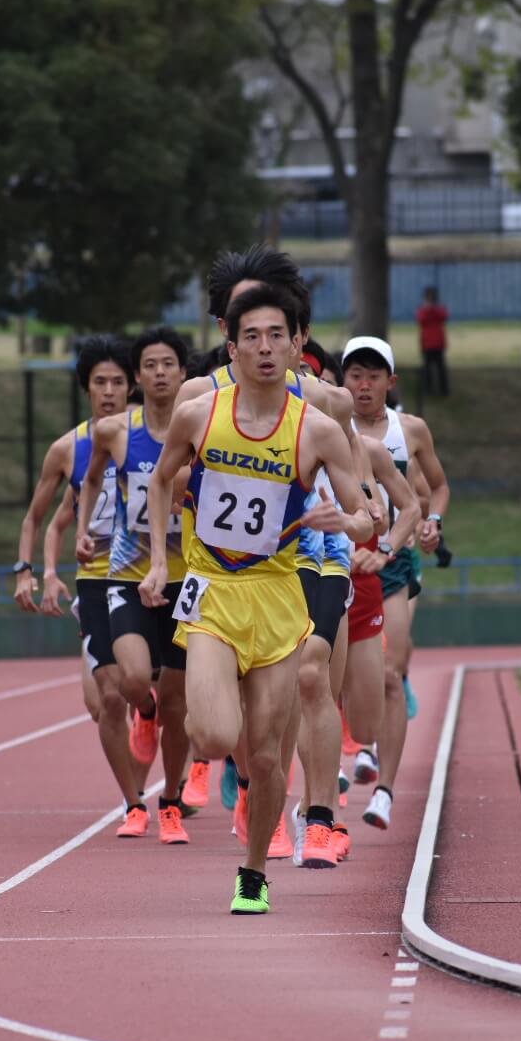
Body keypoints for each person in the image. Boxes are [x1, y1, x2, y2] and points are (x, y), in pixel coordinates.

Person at [140, 284, 374, 915]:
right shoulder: (199, 413)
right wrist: (163, 561)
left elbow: (365, 515)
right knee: (217, 737)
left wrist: (344, 525)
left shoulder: (318, 429)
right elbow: (162, 481)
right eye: (252, 336)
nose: (265, 348)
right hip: (213, 594)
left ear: (296, 342)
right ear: (231, 344)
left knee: (268, 756)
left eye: (276, 335)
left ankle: (253, 872)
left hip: (277, 599)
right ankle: (214, 759)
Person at [13, 337, 152, 825]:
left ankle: (164, 757)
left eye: (118, 381)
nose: (110, 391)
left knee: (148, 689)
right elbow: (39, 519)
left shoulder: (151, 433)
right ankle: (135, 802)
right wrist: (33, 572)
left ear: (132, 383)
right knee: (107, 699)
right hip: (97, 578)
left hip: (152, 577)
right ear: (86, 389)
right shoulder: (67, 449)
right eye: (100, 383)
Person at [76, 326, 192, 844]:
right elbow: (93, 478)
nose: (160, 373)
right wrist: (83, 529)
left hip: (186, 577)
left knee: (178, 705)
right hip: (125, 574)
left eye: (169, 363)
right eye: (151, 365)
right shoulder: (115, 432)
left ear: (183, 372)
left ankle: (169, 803)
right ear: (138, 376)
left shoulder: (198, 430)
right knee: (131, 678)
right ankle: (140, 713)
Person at [341, 337, 450, 830]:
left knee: (390, 671)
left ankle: (383, 789)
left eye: (373, 376)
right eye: (354, 376)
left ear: (390, 382)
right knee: (337, 674)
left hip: (394, 566)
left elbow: (436, 488)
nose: (363, 386)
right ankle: (356, 745)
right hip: (340, 566)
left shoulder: (411, 430)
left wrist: (434, 524)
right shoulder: (328, 430)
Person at [416, 286, 450, 397]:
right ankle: (428, 390)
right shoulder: (423, 309)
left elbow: (444, 316)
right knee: (427, 368)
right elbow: (421, 319)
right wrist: (428, 309)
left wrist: (432, 309)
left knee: (441, 368)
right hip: (427, 343)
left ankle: (443, 390)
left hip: (438, 343)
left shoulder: (439, 308)